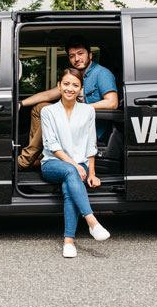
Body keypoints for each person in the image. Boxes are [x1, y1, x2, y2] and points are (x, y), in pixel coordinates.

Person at [18, 35, 118, 170]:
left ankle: (25, 161)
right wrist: (21, 103)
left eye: (80, 54)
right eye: (72, 56)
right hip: (72, 122)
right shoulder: (76, 75)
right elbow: (48, 94)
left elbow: (112, 103)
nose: (76, 59)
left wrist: (79, 109)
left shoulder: (101, 73)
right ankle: (40, 157)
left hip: (90, 127)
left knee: (52, 114)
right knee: (40, 108)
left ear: (90, 55)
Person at [40, 68, 111, 258]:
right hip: (53, 164)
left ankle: (68, 242)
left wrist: (93, 173)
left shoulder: (88, 110)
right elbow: (51, 145)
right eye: (66, 84)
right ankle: (92, 222)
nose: (70, 88)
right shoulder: (48, 111)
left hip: (80, 166)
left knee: (69, 186)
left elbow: (90, 144)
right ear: (59, 86)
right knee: (71, 173)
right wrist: (74, 165)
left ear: (80, 89)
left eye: (75, 85)